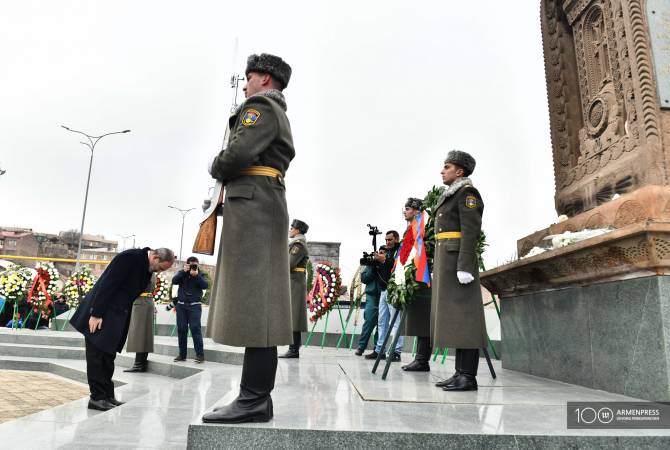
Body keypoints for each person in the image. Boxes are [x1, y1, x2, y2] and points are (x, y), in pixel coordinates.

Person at [202, 53, 294, 424]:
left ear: (266, 79)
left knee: (259, 303)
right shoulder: (274, 109)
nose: (245, 84)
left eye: (250, 77)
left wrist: (216, 163)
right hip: (257, 204)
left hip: (255, 206)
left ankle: (254, 397)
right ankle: (255, 396)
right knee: (259, 302)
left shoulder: (260, 106)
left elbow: (237, 153)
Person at [69, 247, 175, 411]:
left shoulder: (146, 266)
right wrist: (96, 313)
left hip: (116, 315)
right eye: (160, 268)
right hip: (101, 313)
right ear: (154, 257)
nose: (159, 272)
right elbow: (107, 284)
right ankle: (96, 398)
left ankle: (107, 395)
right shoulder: (130, 257)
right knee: (96, 356)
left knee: (108, 355)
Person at [431, 150, 487, 391]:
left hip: (458, 262)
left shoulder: (467, 193)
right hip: (446, 259)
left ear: (460, 171)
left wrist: (464, 266)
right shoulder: (452, 194)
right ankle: (459, 372)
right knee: (455, 318)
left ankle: (468, 376)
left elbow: (471, 231)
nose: (442, 171)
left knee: (465, 317)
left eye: (447, 167)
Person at [401, 198, 434, 372]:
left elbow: (428, 246)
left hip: (424, 275)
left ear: (416, 210)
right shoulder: (411, 228)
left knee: (423, 320)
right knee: (418, 319)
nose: (404, 212)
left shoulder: (425, 225)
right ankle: (420, 359)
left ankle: (422, 360)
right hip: (414, 276)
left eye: (407, 209)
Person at [367, 231, 404, 362]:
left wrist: (385, 260)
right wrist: (377, 261)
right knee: (381, 322)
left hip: (394, 290)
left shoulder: (400, 250)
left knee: (395, 322)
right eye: (386, 240)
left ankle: (396, 351)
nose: (387, 242)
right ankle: (379, 351)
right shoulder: (386, 252)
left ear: (396, 239)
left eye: (390, 239)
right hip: (384, 290)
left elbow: (400, 264)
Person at [279, 219, 310, 359]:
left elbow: (289, 263)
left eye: (292, 228)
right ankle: (294, 348)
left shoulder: (298, 245)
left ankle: (294, 350)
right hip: (295, 281)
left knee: (294, 316)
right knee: (294, 315)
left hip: (295, 282)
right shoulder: (296, 243)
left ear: (298, 230)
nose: (290, 229)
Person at [172, 256, 208, 363]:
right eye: (191, 264)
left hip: (195, 306)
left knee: (195, 329)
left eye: (195, 265)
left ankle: (200, 356)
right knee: (181, 329)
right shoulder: (182, 273)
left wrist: (196, 276)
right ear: (187, 264)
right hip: (181, 306)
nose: (193, 266)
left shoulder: (200, 274)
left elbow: (205, 285)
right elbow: (174, 281)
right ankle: (182, 355)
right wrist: (184, 271)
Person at [354, 249, 385, 356]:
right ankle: (361, 347)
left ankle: (378, 349)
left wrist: (381, 267)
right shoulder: (370, 264)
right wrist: (372, 268)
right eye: (378, 253)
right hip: (371, 296)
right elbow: (364, 278)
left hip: (383, 295)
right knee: (369, 322)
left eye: (382, 253)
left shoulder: (386, 263)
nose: (379, 255)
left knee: (381, 325)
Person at [123, 277, 157, 373]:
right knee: (145, 334)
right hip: (147, 301)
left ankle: (138, 364)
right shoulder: (151, 271)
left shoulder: (145, 270)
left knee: (139, 334)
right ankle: (141, 363)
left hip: (141, 301)